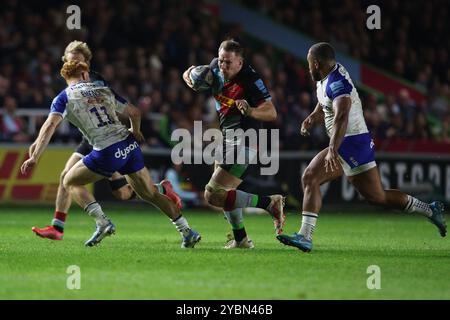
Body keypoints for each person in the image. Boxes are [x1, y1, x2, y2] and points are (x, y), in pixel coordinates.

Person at [277, 42, 447, 252]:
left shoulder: (336, 83)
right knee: (377, 197)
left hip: (350, 142)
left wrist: (332, 148)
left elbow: (341, 114)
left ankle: (305, 236)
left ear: (316, 63)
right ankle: (429, 210)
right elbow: (325, 102)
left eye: (309, 63)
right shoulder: (326, 75)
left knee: (310, 176)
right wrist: (313, 116)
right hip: (352, 142)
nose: (308, 67)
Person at [22, 60, 200, 248]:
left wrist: (35, 156)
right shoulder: (103, 90)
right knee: (149, 194)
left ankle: (102, 222)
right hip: (129, 145)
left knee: (69, 181)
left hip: (107, 150)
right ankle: (187, 231)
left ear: (68, 78)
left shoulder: (63, 97)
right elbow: (135, 112)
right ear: (84, 74)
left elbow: (50, 125)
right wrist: (135, 130)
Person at [183, 39, 285, 249]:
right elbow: (189, 75)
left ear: (240, 62)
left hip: (247, 138)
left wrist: (250, 111)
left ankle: (269, 203)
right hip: (227, 136)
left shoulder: (250, 79)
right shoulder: (214, 67)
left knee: (213, 194)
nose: (223, 66)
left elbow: (271, 112)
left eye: (228, 62)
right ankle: (241, 240)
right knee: (224, 192)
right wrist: (190, 76)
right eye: (221, 60)